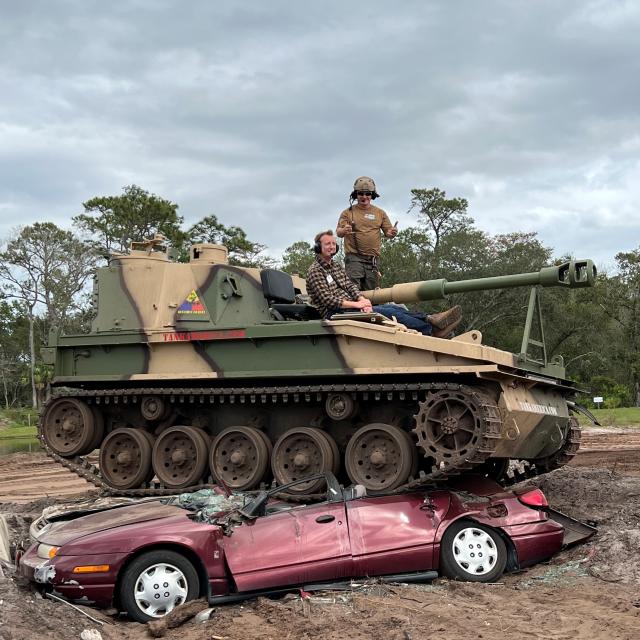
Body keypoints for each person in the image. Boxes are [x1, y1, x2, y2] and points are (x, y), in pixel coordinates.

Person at [307, 230, 461, 338]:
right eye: (327, 244)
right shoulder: (315, 271)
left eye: (334, 244)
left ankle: (430, 319)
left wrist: (362, 300)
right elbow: (328, 301)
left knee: (393, 307)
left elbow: (350, 286)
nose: (332, 247)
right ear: (318, 247)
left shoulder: (335, 266)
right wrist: (357, 306)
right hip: (333, 314)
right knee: (390, 314)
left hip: (348, 308)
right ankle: (432, 330)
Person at [336, 176, 397, 290]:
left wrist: (392, 232)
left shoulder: (380, 213)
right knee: (353, 291)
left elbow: (388, 233)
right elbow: (338, 232)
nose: (364, 197)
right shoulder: (347, 213)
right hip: (354, 258)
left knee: (373, 294)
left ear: (372, 195)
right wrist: (344, 230)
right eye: (361, 193)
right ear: (356, 195)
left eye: (368, 194)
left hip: (373, 261)